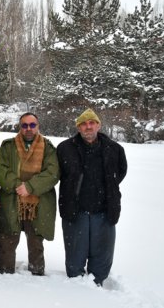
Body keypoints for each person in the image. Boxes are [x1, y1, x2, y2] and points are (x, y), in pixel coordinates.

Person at [57, 108, 127, 286]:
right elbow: (57, 173)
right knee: (75, 259)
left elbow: (120, 173)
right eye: (83, 124)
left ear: (98, 125)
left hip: (104, 210)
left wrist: (104, 189)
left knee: (102, 257)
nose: (88, 127)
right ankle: (77, 291)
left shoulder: (115, 149)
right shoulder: (65, 148)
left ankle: (98, 287)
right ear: (78, 127)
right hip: (75, 211)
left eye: (91, 123)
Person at [0, 113, 59, 275]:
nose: (28, 128)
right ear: (19, 126)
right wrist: (18, 186)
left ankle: (37, 275)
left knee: (36, 240)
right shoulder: (7, 146)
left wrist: (30, 187)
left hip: (38, 202)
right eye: (24, 125)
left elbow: (52, 173)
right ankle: (5, 273)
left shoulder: (48, 148)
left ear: (38, 126)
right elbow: (0, 170)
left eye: (32, 125)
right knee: (7, 237)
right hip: (11, 199)